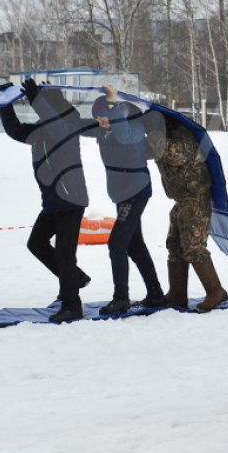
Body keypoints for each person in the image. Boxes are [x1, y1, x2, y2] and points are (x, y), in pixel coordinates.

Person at [0, 79, 92, 323]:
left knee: (65, 253)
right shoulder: (42, 129)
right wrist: (4, 104)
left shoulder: (68, 123)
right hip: (52, 200)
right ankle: (75, 279)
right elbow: (15, 130)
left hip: (70, 199)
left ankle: (72, 305)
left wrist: (35, 98)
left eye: (43, 102)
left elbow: (57, 126)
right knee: (37, 243)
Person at [87, 86, 164, 315]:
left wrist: (111, 106)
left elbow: (123, 134)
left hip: (136, 192)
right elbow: (72, 126)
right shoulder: (105, 129)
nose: (101, 123)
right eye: (97, 119)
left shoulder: (134, 128)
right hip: (122, 195)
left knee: (117, 243)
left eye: (104, 117)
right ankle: (155, 294)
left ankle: (121, 298)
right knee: (134, 245)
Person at [144, 109, 228, 312]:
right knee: (175, 246)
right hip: (181, 200)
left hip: (196, 198)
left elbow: (174, 155)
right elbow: (145, 151)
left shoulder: (182, 136)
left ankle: (216, 291)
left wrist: (153, 133)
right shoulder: (160, 138)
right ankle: (177, 294)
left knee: (194, 247)